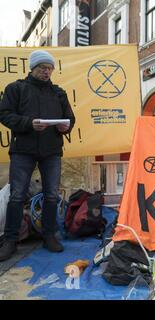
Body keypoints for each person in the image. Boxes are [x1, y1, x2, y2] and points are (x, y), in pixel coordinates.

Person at [0, 50, 75, 261]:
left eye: (49, 68)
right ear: (32, 68)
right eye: (42, 68)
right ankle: (10, 240)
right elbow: (4, 115)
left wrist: (64, 128)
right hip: (23, 150)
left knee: (51, 195)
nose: (46, 72)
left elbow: (70, 118)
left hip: (51, 151)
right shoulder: (16, 89)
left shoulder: (59, 93)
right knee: (16, 195)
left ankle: (49, 235)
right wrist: (28, 124)